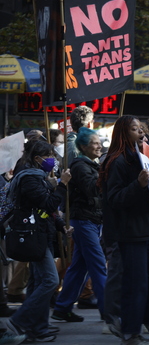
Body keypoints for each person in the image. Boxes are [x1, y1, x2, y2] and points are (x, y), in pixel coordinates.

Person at [99, 116, 149, 345]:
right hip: (130, 232)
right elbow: (115, 199)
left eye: (141, 128)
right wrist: (137, 185)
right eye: (134, 129)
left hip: (147, 228)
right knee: (136, 282)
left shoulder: (142, 158)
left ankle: (145, 318)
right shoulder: (118, 161)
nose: (141, 132)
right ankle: (131, 331)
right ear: (123, 133)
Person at [6, 141, 73, 342]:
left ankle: (39, 327)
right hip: (34, 234)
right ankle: (19, 321)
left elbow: (48, 210)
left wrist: (61, 225)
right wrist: (62, 185)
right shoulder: (29, 178)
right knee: (51, 280)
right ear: (38, 159)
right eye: (49, 156)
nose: (52, 160)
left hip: (42, 231)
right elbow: (48, 203)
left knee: (37, 281)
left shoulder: (38, 177)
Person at [52, 128, 106, 323]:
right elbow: (93, 189)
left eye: (99, 142)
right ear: (83, 146)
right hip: (84, 221)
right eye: (94, 142)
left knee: (78, 267)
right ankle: (110, 313)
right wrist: (105, 172)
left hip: (91, 220)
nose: (99, 145)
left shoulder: (91, 164)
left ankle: (62, 307)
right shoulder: (81, 166)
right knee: (99, 266)